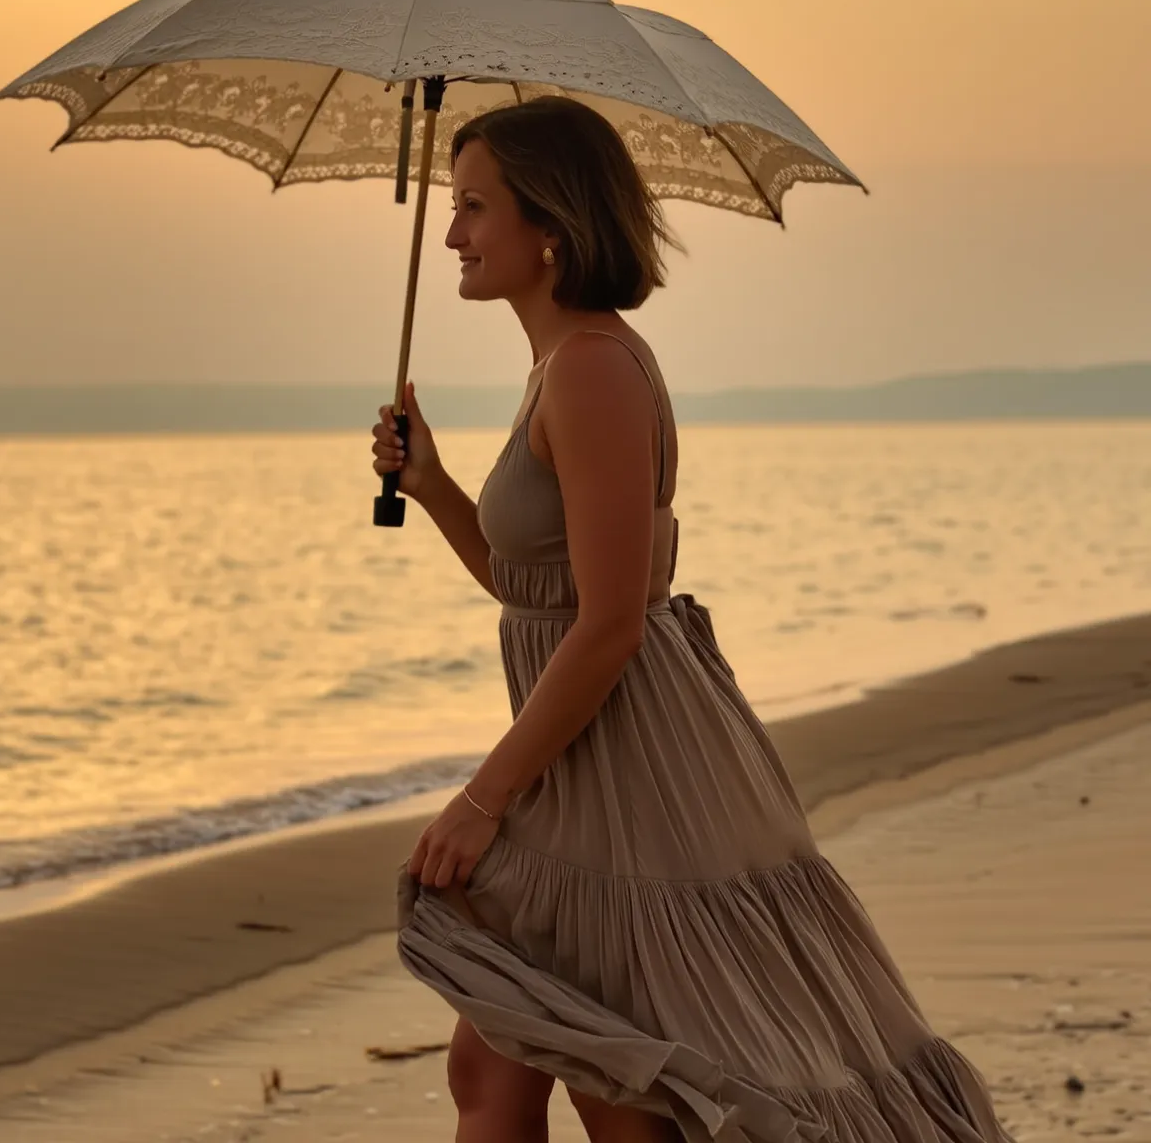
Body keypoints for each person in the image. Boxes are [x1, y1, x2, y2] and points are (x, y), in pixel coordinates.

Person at [373, 96, 1011, 1143]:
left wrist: (483, 800)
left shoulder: (591, 371)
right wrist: (436, 483)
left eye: (475, 206)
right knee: (502, 1061)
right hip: (583, 760)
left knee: (617, 1086)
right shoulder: (560, 368)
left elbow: (612, 624)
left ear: (551, 228)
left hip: (630, 768)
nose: (452, 233)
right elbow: (537, 592)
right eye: (454, 206)